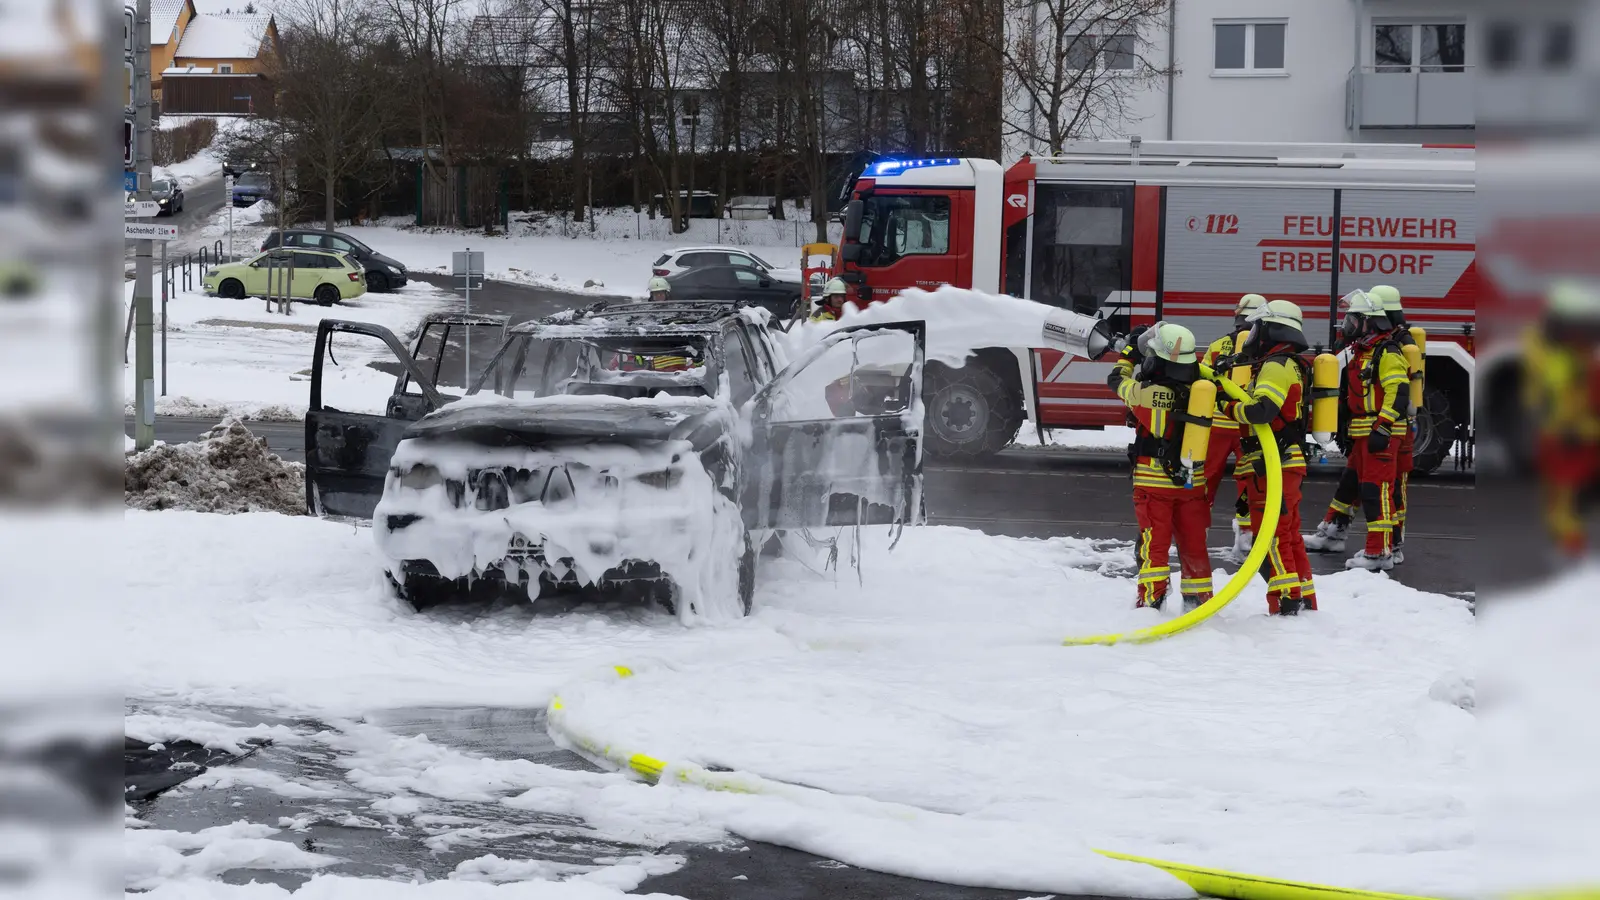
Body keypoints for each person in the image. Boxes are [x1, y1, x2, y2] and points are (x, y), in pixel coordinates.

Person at [1107, 322, 1214, 611]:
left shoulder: (1144, 394)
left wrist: (1129, 354)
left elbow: (1116, 380)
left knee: (1154, 547)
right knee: (1194, 545)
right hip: (1192, 484)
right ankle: (1198, 603)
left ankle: (1152, 602)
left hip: (1154, 487)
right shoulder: (1205, 392)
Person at [1221, 300, 1317, 615]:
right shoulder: (1287, 363)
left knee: (1272, 537)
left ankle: (1286, 603)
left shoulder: (1276, 366)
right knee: (1288, 535)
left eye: (1257, 327)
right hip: (1283, 462)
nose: (1252, 334)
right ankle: (1304, 600)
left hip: (1271, 465)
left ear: (1271, 328)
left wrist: (1227, 406)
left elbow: (1261, 411)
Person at [1304, 289, 1409, 571]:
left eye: (1355, 319)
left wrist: (1383, 428)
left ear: (1369, 322)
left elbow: (1398, 391)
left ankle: (1379, 553)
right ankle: (1333, 534)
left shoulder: (1387, 352)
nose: (1349, 324)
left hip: (1379, 434)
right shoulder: (1365, 351)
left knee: (1377, 491)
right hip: (1363, 432)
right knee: (1349, 487)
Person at [1526, 281, 1600, 558]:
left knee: (1567, 502)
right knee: (1562, 501)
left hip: (1573, 438)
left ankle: (1572, 553)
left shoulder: (1574, 357)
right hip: (1562, 436)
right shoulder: (1561, 355)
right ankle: (1569, 550)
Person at [1202, 293, 1266, 562]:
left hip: (1215, 424)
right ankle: (1247, 537)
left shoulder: (1218, 346)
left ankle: (1196, 532)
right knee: (1249, 483)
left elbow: (1201, 383)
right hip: (1248, 427)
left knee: (1204, 481)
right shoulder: (1266, 350)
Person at [1369, 284, 1418, 562]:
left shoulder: (1395, 343)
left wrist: (1384, 424)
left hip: (1395, 425)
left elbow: (1397, 388)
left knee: (1390, 487)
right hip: (1397, 423)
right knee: (1382, 486)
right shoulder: (1402, 337)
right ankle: (1392, 542)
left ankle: (1392, 543)